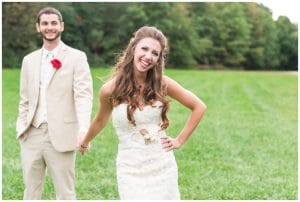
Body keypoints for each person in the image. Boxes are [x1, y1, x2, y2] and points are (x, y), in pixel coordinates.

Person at [78, 26, 206, 200]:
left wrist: (179, 140)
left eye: (155, 53)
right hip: (129, 167)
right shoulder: (110, 90)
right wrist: (85, 141)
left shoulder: (162, 83)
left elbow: (199, 106)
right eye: (144, 49)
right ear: (133, 49)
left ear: (159, 59)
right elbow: (100, 120)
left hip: (162, 164)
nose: (148, 56)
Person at [16, 7, 93, 199]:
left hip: (62, 135)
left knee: (65, 193)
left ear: (62, 26)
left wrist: (84, 130)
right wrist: (21, 128)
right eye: (45, 23)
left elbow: (83, 96)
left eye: (53, 23)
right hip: (31, 134)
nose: (49, 27)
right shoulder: (28, 60)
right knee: (30, 193)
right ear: (38, 27)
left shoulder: (77, 57)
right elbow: (24, 100)